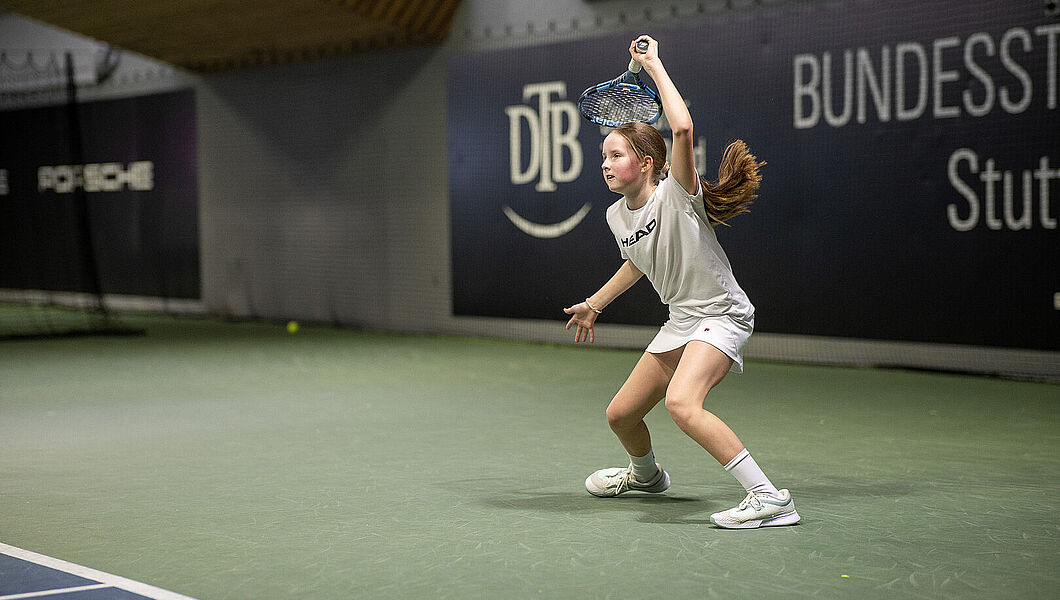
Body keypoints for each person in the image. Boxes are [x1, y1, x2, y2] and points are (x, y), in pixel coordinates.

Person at [563, 35, 799, 529]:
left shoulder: (677, 193)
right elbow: (639, 262)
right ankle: (646, 477)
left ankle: (769, 498)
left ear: (646, 164)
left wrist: (653, 65)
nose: (605, 164)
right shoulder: (615, 216)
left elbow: (683, 127)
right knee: (621, 415)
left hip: (722, 315)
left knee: (682, 404)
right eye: (603, 156)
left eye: (616, 155)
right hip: (683, 321)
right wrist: (595, 303)